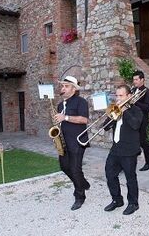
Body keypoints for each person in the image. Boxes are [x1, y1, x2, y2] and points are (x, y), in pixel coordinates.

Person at [103, 85, 143, 215]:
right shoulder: (116, 110)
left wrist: (125, 111)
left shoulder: (136, 110)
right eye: (117, 95)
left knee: (130, 178)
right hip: (116, 149)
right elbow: (105, 127)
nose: (118, 98)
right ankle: (117, 200)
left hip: (129, 150)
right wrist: (111, 114)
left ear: (129, 96)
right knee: (110, 174)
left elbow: (136, 125)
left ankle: (133, 203)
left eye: (121, 96)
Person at [54, 75, 90, 211]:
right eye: (62, 86)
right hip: (63, 142)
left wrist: (65, 117)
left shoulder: (81, 102)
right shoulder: (59, 105)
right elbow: (60, 122)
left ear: (74, 89)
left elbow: (84, 120)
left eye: (66, 86)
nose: (63, 88)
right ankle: (83, 182)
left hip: (77, 141)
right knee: (64, 167)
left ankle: (80, 196)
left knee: (75, 169)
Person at [132, 70, 149, 171]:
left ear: (142, 80)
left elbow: (147, 108)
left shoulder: (147, 92)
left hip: (142, 120)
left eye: (136, 79)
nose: (134, 81)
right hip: (133, 119)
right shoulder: (133, 90)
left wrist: (135, 102)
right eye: (134, 79)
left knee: (143, 142)